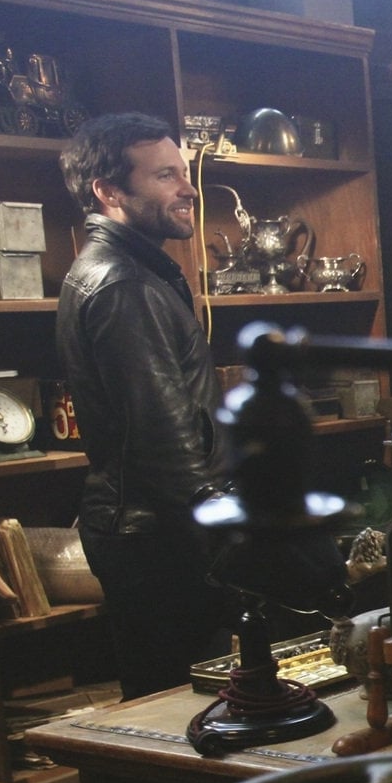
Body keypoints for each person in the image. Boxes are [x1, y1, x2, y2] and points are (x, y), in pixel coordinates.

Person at [58, 113, 233, 700]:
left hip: (156, 533)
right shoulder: (124, 284)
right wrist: (232, 538)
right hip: (159, 540)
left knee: (180, 704)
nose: (188, 189)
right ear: (109, 192)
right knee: (182, 712)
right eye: (165, 176)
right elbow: (166, 442)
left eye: (183, 172)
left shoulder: (132, 272)